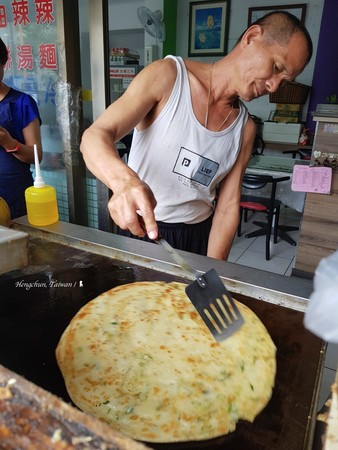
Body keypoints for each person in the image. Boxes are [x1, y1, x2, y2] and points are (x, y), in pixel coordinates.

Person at [80, 11, 313, 260]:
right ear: (252, 37)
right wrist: (123, 182)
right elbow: (95, 136)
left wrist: (215, 269)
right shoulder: (168, 76)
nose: (274, 86)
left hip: (198, 237)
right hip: (142, 230)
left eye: (285, 81)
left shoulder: (245, 129)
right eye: (276, 67)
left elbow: (226, 207)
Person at [0, 37, 42, 220]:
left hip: (14, 193)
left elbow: (36, 156)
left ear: (3, 63)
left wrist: (8, 142)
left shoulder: (22, 103)